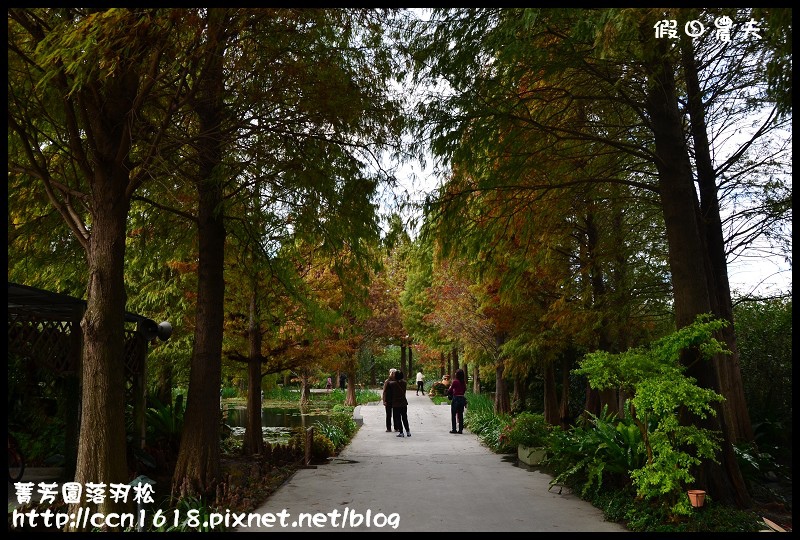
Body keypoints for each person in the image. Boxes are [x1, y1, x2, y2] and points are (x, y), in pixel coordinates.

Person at [390, 370, 411, 437]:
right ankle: (408, 431)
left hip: (396, 403)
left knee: (398, 418)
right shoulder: (404, 383)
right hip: (403, 403)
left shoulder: (392, 384)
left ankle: (401, 432)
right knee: (405, 417)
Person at [446, 368, 467, 434]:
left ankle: (454, 429)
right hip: (462, 398)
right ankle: (460, 430)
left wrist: (449, 391)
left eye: (456, 373)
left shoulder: (455, 382)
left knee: (453, 414)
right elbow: (464, 390)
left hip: (456, 399)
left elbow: (450, 390)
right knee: (460, 414)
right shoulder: (463, 382)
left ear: (457, 375)